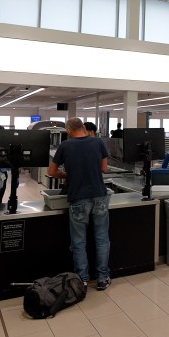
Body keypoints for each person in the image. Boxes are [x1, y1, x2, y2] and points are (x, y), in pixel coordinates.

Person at [48, 117, 111, 290]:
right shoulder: (98, 142)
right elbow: (104, 168)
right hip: (99, 196)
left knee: (78, 241)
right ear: (84, 128)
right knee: (102, 239)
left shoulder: (66, 146)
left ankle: (82, 279)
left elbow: (52, 171)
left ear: (68, 131)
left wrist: (68, 175)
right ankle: (103, 278)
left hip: (78, 197)